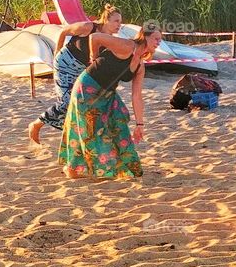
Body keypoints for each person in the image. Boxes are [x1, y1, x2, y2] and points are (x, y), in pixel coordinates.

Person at [58, 20, 162, 179]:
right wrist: (94, 56)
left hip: (107, 94)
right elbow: (95, 37)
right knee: (90, 130)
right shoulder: (127, 46)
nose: (158, 42)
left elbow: (137, 96)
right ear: (145, 37)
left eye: (160, 39)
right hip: (87, 88)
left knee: (119, 120)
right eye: (155, 38)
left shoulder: (140, 65)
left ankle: (125, 165)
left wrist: (140, 124)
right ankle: (74, 168)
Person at [29, 4, 122, 143]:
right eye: (116, 21)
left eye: (120, 22)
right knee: (66, 102)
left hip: (81, 71)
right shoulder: (88, 27)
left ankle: (73, 138)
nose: (119, 25)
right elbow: (63, 32)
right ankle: (37, 124)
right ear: (106, 20)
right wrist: (56, 52)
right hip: (64, 65)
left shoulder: (109, 39)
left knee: (79, 102)